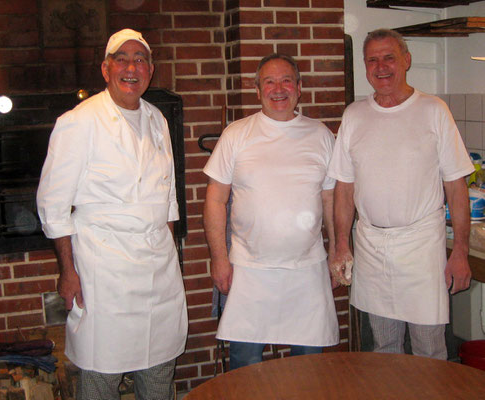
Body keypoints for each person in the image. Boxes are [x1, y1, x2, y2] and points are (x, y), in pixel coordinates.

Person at [36, 29, 187, 400]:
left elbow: (167, 198)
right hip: (104, 270)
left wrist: (169, 254)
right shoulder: (80, 121)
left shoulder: (157, 120)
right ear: (106, 69)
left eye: (140, 60)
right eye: (122, 59)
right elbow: (52, 204)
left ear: (151, 71)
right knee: (101, 371)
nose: (131, 67)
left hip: (157, 269)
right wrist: (67, 272)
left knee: (158, 367)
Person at [328, 28, 473, 360]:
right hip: (371, 246)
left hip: (422, 247)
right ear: (365, 67)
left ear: (406, 61)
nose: (381, 67)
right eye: (372, 60)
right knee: (383, 348)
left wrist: (460, 251)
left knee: (428, 347)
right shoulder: (354, 115)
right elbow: (344, 187)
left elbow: (455, 186)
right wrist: (340, 243)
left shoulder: (434, 110)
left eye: (389, 57)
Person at [203, 53, 339, 370]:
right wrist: (219, 259)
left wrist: (337, 251)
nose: (278, 89)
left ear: (299, 87)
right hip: (249, 269)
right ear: (257, 89)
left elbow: (331, 199)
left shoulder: (321, 135)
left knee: (307, 366)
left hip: (307, 269)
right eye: (269, 81)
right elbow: (214, 200)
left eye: (286, 80)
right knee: (245, 364)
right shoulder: (236, 134)